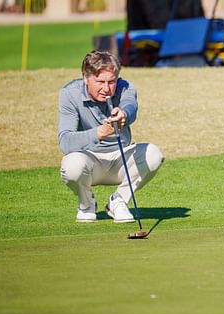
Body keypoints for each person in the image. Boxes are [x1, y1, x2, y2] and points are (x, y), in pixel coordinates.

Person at [58, 50, 164, 223]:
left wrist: (123, 114)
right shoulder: (69, 94)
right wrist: (99, 132)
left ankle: (118, 201)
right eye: (100, 81)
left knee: (154, 155)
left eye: (111, 81)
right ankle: (86, 204)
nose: (106, 88)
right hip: (89, 161)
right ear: (85, 78)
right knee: (71, 166)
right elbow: (65, 142)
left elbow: (130, 106)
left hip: (121, 160)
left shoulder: (125, 87)